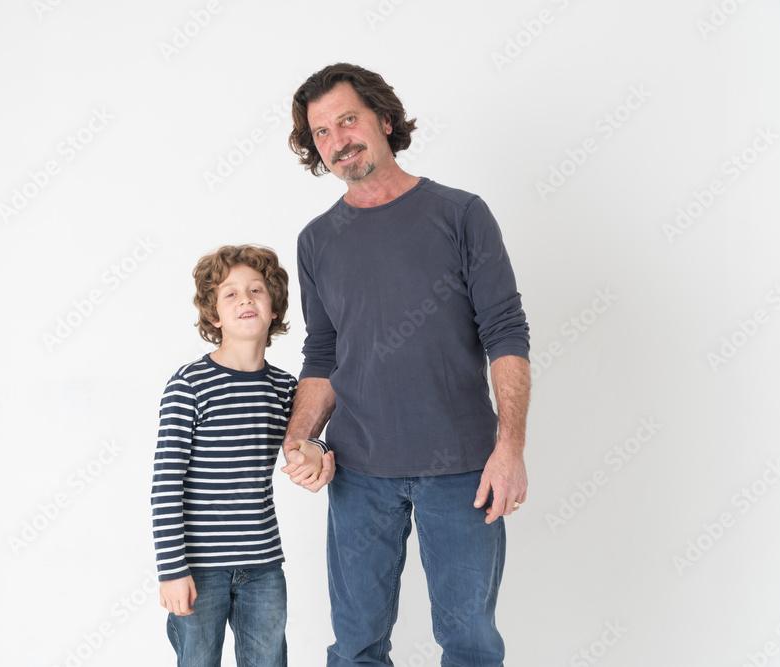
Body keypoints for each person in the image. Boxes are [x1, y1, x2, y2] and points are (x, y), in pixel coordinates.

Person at [281, 63, 532, 666]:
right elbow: (322, 352)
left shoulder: (461, 214)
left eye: (348, 120)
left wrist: (510, 448)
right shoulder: (317, 241)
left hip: (463, 469)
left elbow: (506, 333)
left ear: (384, 120)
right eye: (321, 132)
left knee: (470, 642)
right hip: (359, 472)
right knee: (357, 645)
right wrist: (298, 441)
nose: (337, 139)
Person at [151, 245, 329, 667]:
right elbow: (165, 485)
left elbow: (308, 438)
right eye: (229, 294)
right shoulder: (189, 385)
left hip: (264, 566)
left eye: (256, 290)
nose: (245, 298)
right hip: (198, 568)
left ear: (274, 310)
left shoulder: (286, 388)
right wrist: (172, 570)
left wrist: (317, 451)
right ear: (214, 315)